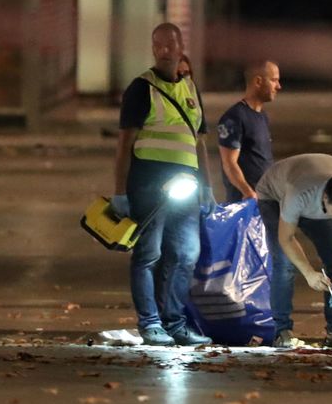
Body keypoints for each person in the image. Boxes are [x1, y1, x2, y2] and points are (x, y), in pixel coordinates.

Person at [110, 23, 216, 346]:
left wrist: (208, 186)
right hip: (149, 187)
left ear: (182, 46)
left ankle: (175, 322)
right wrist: (119, 192)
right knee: (149, 253)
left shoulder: (190, 89)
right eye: (161, 45)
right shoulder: (141, 88)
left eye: (173, 43)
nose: (168, 50)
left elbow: (199, 143)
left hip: (187, 186)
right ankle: (150, 323)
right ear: (154, 49)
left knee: (186, 253)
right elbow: (125, 143)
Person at [255, 153, 332, 348]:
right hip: (273, 195)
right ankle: (282, 331)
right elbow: (286, 238)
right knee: (285, 263)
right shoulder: (299, 193)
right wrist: (309, 273)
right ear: (325, 198)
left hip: (314, 201)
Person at [216, 60, 280, 201]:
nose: (278, 86)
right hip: (245, 202)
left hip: (264, 200)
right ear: (258, 81)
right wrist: (248, 192)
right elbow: (229, 162)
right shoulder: (234, 117)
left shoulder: (262, 116)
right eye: (274, 80)